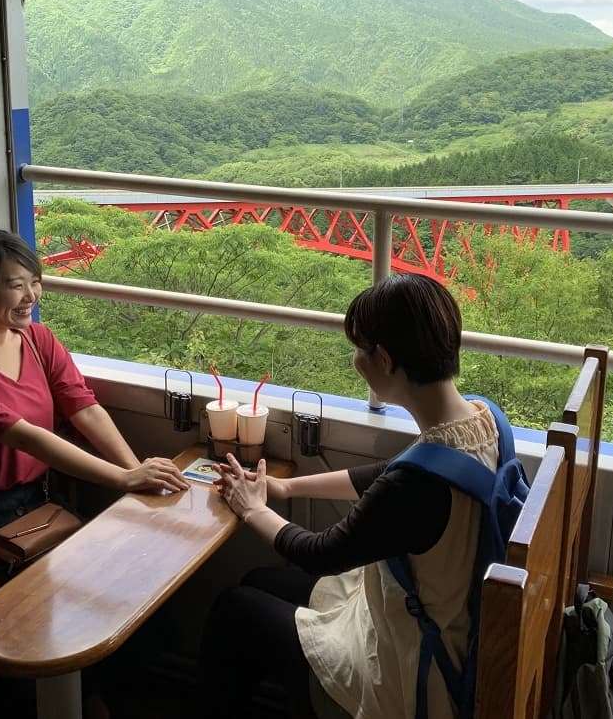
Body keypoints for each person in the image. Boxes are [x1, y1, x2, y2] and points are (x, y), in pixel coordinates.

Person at [0, 228, 189, 714]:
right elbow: (24, 435)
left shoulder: (37, 341)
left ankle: (98, 701)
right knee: (72, 617)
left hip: (34, 512)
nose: (31, 295)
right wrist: (122, 481)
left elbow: (84, 408)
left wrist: (136, 468)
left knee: (136, 597)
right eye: (15, 285)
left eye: (34, 281)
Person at [201, 274, 501, 719]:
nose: (356, 359)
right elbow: (388, 472)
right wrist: (286, 487)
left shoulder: (415, 487)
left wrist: (251, 507)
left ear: (384, 358)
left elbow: (321, 553)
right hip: (452, 631)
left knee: (234, 610)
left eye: (360, 349)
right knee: (259, 583)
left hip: (411, 676)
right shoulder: (481, 419)